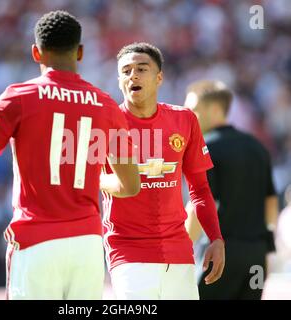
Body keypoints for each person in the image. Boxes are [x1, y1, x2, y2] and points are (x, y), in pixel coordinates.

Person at [0, 10, 140, 300]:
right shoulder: (107, 105)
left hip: (36, 241)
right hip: (88, 246)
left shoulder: (18, 97)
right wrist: (93, 178)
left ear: (36, 53)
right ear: (80, 52)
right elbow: (130, 186)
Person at [99, 42, 225, 300]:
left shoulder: (184, 120)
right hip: (128, 253)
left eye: (141, 69)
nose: (132, 75)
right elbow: (85, 181)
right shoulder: (105, 123)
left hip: (179, 253)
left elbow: (200, 189)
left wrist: (216, 238)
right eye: (125, 71)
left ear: (159, 78)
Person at [184, 80, 278, 300]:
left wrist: (180, 249)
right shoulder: (257, 147)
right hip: (256, 257)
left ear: (215, 110)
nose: (188, 117)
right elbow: (271, 203)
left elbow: (199, 203)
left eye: (193, 111)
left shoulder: (206, 147)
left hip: (219, 255)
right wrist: (265, 245)